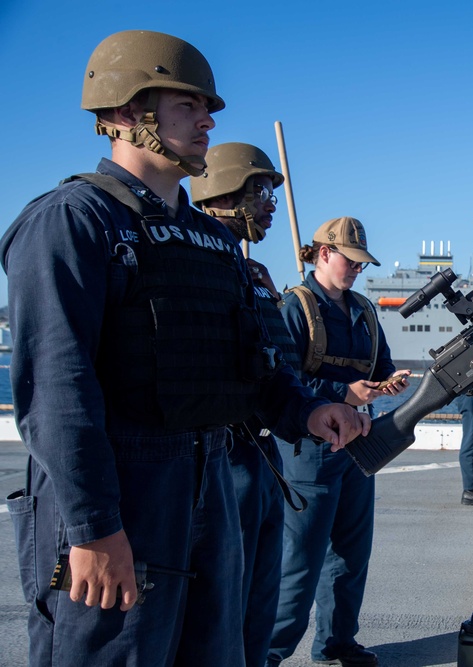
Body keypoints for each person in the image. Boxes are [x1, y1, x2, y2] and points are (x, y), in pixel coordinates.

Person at [0, 30, 368, 667]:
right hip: (122, 491)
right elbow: (57, 392)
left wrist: (304, 411)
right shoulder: (73, 221)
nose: (207, 120)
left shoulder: (210, 242)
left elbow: (247, 366)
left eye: (208, 108)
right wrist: (93, 526)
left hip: (208, 487)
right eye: (186, 106)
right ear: (124, 114)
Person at [268, 217, 410, 667]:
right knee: (300, 565)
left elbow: (379, 366)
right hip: (308, 452)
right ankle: (267, 654)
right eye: (351, 261)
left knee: (351, 554)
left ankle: (337, 643)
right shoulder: (294, 308)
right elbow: (281, 382)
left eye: (361, 264)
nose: (357, 270)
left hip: (357, 448)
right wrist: (341, 394)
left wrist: (388, 384)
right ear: (323, 253)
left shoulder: (364, 311)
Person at [191, 142, 297, 667]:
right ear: (223, 191)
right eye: (261, 191)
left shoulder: (247, 272)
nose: (270, 205)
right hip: (219, 461)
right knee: (219, 611)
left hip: (260, 456)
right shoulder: (194, 262)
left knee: (259, 604)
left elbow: (281, 367)